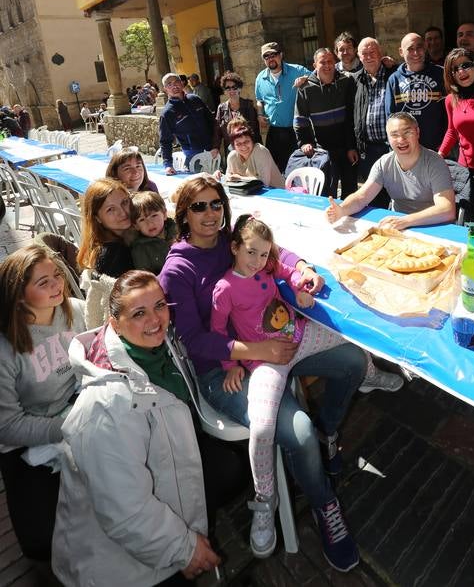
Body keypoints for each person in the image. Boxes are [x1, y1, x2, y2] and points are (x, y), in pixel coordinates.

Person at [159, 175, 393, 573]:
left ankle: (329, 433)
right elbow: (195, 340)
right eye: (199, 206)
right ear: (182, 213)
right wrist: (251, 351)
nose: (210, 213)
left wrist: (302, 270)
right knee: (296, 432)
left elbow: (275, 254)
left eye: (216, 203)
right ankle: (322, 506)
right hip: (224, 370)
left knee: (353, 361)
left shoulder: (232, 238)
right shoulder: (177, 270)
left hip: (275, 341)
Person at [52, 271, 227, 586]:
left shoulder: (158, 349)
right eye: (139, 313)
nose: (155, 320)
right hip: (121, 565)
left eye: (160, 305)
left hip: (154, 511)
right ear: (114, 322)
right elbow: (125, 513)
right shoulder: (106, 408)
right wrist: (186, 551)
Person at [212, 214, 355, 558]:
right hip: (265, 362)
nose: (258, 261)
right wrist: (230, 364)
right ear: (234, 248)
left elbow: (288, 270)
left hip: (299, 338)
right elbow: (218, 333)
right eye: (251, 253)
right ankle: (265, 497)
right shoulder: (225, 288)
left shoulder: (266, 266)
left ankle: (328, 432)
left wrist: (303, 283)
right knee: (262, 426)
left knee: (356, 358)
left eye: (263, 254)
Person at [0, 246, 85, 562]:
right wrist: (65, 428)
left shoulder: (74, 310)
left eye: (57, 276)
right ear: (19, 295)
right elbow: (7, 427)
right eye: (43, 282)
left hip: (74, 409)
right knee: (40, 542)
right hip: (24, 442)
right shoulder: (6, 347)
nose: (57, 286)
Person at [326, 112, 455, 231]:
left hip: (432, 227)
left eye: (407, 132)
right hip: (397, 226)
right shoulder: (384, 163)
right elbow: (361, 197)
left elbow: (447, 210)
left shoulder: (435, 163)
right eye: (394, 135)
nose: (401, 139)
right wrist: (342, 210)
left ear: (417, 132)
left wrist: (406, 220)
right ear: (388, 138)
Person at [294, 48, 358, 198]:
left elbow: (351, 116)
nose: (327, 65)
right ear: (314, 64)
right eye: (323, 62)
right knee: (328, 193)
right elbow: (300, 119)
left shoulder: (346, 81)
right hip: (323, 151)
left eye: (330, 61)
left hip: (346, 146)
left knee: (350, 192)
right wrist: (304, 142)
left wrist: (351, 146)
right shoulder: (305, 88)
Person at [254, 42, 311, 173]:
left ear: (281, 55)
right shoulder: (260, 78)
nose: (270, 59)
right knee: (275, 170)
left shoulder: (297, 70)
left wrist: (305, 79)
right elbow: (259, 100)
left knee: (298, 170)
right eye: (266, 57)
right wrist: (260, 115)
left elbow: (317, 77)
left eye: (273, 55)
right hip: (275, 132)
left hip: (297, 131)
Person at [353, 38, 396, 208]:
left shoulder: (393, 75)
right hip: (367, 149)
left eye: (373, 52)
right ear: (359, 56)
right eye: (365, 53)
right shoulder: (355, 80)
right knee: (374, 196)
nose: (369, 56)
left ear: (381, 54)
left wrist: (395, 63)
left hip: (390, 147)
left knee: (395, 191)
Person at [385, 32, 447, 150]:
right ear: (401, 52)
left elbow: (449, 111)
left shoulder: (440, 74)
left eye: (419, 47)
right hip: (407, 147)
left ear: (425, 48)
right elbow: (390, 117)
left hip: (437, 147)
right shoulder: (394, 79)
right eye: (410, 49)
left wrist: (445, 144)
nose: (416, 53)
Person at [159, 72, 219, 175]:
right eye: (169, 84)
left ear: (182, 83)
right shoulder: (167, 113)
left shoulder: (195, 99)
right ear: (165, 89)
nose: (174, 85)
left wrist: (216, 145)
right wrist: (168, 165)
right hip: (193, 156)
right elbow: (165, 141)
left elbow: (212, 122)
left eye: (176, 81)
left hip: (212, 152)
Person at [77, 178, 134, 278]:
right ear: (97, 218)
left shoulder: (101, 244)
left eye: (124, 202)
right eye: (111, 209)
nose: (122, 212)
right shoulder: (116, 254)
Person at [131, 191, 178, 273]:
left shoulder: (177, 229)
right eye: (142, 220)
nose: (149, 223)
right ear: (136, 226)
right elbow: (146, 276)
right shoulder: (140, 248)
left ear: (164, 214)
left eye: (154, 216)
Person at [226, 123, 285, 187]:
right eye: (238, 144)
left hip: (276, 193)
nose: (243, 146)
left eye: (246, 142)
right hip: (248, 194)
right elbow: (229, 178)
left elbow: (264, 183)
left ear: (252, 141)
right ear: (233, 146)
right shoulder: (232, 157)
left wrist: (240, 178)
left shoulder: (260, 151)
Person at [214, 70, 261, 152]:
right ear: (224, 91)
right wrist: (215, 147)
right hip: (231, 150)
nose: (231, 90)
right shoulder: (221, 108)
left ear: (239, 89)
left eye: (234, 87)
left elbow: (255, 130)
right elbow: (217, 131)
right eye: (227, 88)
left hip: (248, 149)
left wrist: (257, 149)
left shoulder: (248, 105)